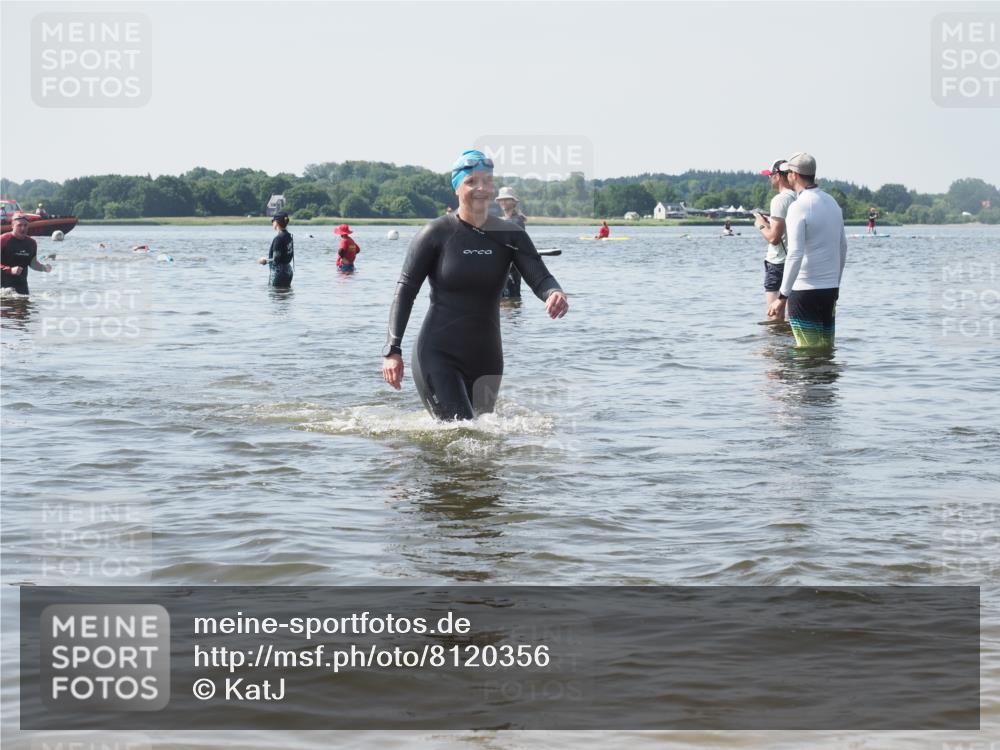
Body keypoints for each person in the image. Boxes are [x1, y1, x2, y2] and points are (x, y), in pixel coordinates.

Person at [381, 149, 569, 421]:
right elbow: (405, 291)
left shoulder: (511, 235)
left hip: (487, 358)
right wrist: (392, 350)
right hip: (438, 354)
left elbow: (540, 277)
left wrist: (554, 293)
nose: (481, 188)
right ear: (457, 188)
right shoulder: (435, 234)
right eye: (471, 181)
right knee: (463, 431)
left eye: (487, 181)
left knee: (484, 434)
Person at [767, 153, 848, 348]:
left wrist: (782, 297)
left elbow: (795, 254)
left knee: (806, 352)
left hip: (805, 292)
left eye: (788, 172)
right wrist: (836, 286)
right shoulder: (832, 203)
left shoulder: (798, 206)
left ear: (794, 175)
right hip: (829, 290)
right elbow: (843, 247)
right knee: (826, 350)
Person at [754, 158, 798, 318]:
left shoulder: (779, 200)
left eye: (770, 175)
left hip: (778, 263)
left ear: (778, 176)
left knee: (774, 317)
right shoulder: (798, 197)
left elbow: (774, 239)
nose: (769, 179)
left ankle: (774, 336)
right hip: (796, 261)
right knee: (791, 317)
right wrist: (770, 223)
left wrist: (760, 224)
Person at [1, 212, 51, 295]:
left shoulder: (31, 243)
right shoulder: (3, 239)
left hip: (22, 287)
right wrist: (10, 270)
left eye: (25, 225)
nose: (23, 228)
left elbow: (33, 264)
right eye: (19, 225)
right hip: (3, 287)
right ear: (12, 225)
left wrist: (43, 268)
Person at [495, 186, 526, 298]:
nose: (503, 202)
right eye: (501, 200)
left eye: (506, 199)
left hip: (512, 268)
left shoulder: (517, 221)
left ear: (513, 202)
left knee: (511, 299)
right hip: (502, 267)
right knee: (505, 301)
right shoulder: (503, 220)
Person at [258, 212, 294, 287]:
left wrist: (264, 261)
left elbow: (276, 259)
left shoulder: (278, 238)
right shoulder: (289, 236)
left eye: (272, 221)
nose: (272, 223)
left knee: (274, 292)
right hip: (288, 270)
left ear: (276, 222)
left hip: (278, 272)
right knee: (285, 293)